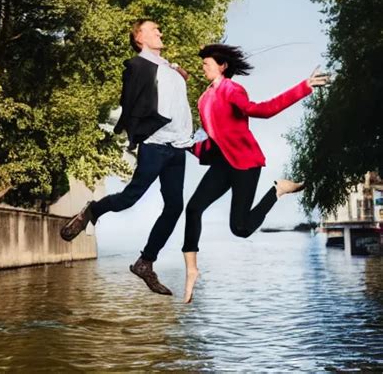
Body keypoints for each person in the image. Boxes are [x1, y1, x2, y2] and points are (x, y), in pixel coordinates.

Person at [182, 44, 330, 303]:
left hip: (244, 163)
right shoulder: (203, 99)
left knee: (240, 229)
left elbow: (264, 110)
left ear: (222, 66)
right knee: (193, 209)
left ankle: (277, 190)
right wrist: (186, 145)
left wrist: (304, 87)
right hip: (222, 164)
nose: (203, 66)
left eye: (207, 62)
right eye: (203, 62)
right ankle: (192, 270)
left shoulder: (232, 90)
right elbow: (210, 140)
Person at [60, 19, 194, 296]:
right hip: (156, 144)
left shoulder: (170, 68)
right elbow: (130, 101)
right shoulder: (137, 66)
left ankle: (145, 262)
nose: (160, 31)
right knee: (131, 197)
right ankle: (92, 211)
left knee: (174, 207)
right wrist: (137, 134)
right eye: (153, 29)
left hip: (178, 148)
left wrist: (177, 73)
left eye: (159, 28)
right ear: (139, 37)